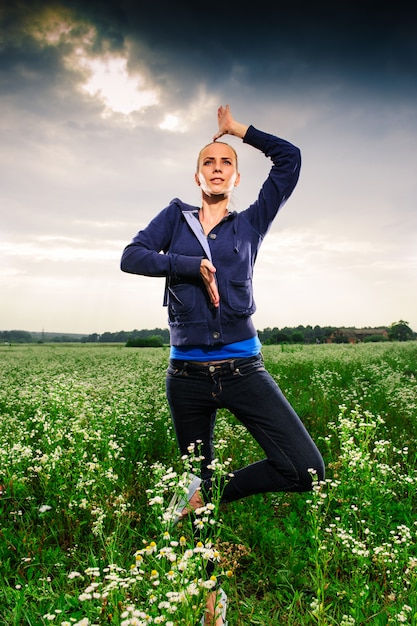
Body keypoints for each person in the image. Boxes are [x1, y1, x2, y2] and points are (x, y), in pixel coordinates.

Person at [121, 104, 325, 625]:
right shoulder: (175, 218)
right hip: (185, 378)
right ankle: (210, 599)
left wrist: (240, 131)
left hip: (243, 370)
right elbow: (132, 256)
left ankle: (204, 496)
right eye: (208, 160)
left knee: (305, 469)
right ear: (197, 174)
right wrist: (190, 266)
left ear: (235, 176)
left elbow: (291, 159)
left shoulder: (251, 222)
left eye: (225, 161)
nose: (216, 166)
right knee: (198, 479)